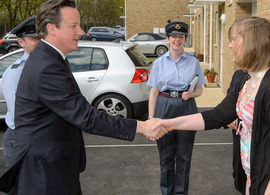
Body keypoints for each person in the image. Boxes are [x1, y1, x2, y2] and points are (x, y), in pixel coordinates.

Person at [0, 0, 166, 194]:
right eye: (74, 26)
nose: (82, 32)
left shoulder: (49, 59)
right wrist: (142, 126)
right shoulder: (47, 66)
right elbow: (85, 116)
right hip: (45, 172)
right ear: (51, 28)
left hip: (52, 165)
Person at [154, 17, 270, 194]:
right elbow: (217, 116)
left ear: (252, 42)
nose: (229, 46)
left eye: (233, 39)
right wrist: (168, 124)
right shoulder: (245, 80)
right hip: (251, 178)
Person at [147, 21, 206, 194]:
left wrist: (191, 94)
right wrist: (151, 119)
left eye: (181, 37)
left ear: (185, 39)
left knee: (184, 156)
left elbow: (199, 89)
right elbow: (153, 93)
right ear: (167, 39)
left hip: (186, 106)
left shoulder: (193, 61)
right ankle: (167, 192)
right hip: (164, 107)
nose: (177, 40)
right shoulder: (158, 63)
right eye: (174, 36)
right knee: (165, 157)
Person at [0, 16, 40, 195]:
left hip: (38, 137)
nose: (39, 43)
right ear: (21, 42)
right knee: (18, 188)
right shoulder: (16, 72)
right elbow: (20, 115)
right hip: (20, 138)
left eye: (41, 38)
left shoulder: (47, 66)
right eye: (34, 39)